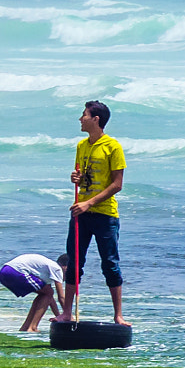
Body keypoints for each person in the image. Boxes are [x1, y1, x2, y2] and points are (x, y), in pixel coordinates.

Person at [59, 100, 127, 324]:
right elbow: (83, 176)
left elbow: (117, 184)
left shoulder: (112, 146)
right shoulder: (82, 145)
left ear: (96, 119)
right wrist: (76, 179)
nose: (81, 119)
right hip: (80, 212)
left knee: (109, 263)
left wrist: (90, 203)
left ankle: (118, 315)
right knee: (74, 262)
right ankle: (67, 313)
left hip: (105, 214)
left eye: (84, 115)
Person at [0, 252, 66, 332]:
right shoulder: (57, 269)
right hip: (14, 271)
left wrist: (58, 316)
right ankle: (32, 327)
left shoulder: (47, 270)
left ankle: (25, 327)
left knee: (46, 293)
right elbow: (61, 297)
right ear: (65, 267)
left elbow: (49, 298)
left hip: (4, 272)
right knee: (48, 293)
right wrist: (68, 315)